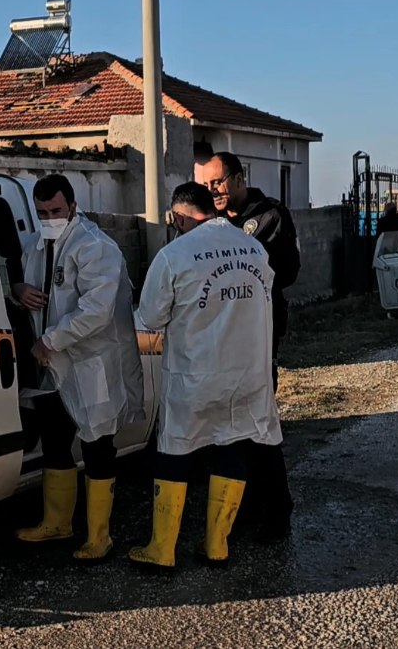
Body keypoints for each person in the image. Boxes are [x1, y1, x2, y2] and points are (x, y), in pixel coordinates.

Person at [129, 182, 280, 569]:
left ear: (179, 216)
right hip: (249, 375)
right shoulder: (255, 249)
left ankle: (161, 549)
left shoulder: (174, 255)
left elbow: (150, 318)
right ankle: (217, 546)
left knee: (175, 453)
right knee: (232, 447)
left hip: (195, 375)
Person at [11, 174, 145, 563]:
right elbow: (26, 287)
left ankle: (99, 536)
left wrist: (49, 340)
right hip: (54, 363)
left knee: (97, 444)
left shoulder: (95, 247)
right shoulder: (37, 245)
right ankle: (57, 522)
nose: (49, 218)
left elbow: (97, 312)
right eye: (41, 213)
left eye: (55, 210)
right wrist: (18, 290)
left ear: (72, 205)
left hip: (91, 362)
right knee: (55, 439)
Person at [201, 151, 299, 543]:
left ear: (239, 179)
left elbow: (286, 272)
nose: (214, 192)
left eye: (219, 182)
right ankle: (242, 506)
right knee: (227, 430)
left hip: (257, 339)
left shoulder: (269, 217)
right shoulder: (209, 224)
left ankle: (277, 508)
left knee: (259, 426)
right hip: (219, 339)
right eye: (207, 186)